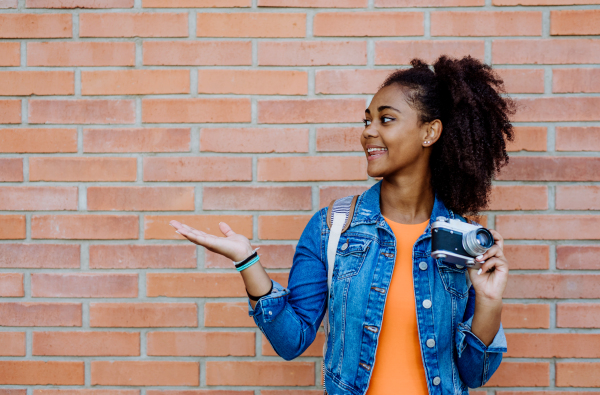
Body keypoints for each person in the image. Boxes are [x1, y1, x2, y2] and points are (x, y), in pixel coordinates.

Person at [170, 55, 515, 395]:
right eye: (367, 121)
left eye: (386, 119)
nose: (369, 132)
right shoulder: (331, 228)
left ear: (430, 131)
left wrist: (489, 301)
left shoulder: (463, 240)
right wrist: (248, 261)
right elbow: (292, 341)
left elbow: (475, 372)